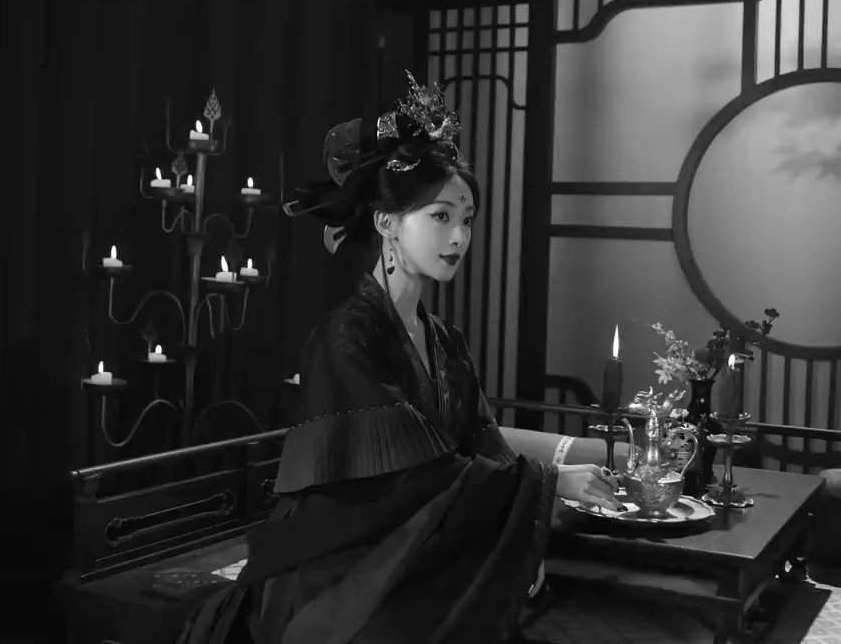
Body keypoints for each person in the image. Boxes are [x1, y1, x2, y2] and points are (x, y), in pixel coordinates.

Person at [175, 73, 623, 644]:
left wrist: (531, 517)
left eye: (467, 219)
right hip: (343, 561)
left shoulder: (446, 342)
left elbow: (481, 442)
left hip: (413, 548)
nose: (459, 237)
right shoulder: (345, 337)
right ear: (386, 222)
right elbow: (409, 477)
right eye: (440, 216)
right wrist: (550, 481)